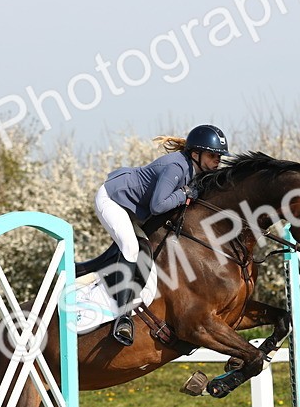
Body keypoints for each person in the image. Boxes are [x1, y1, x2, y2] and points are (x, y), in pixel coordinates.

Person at [95, 124, 229, 346]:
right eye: (213, 155)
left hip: (135, 207)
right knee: (132, 248)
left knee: (148, 249)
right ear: (196, 154)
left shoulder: (194, 169)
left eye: (220, 156)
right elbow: (158, 206)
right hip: (113, 200)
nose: (218, 160)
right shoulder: (175, 167)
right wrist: (185, 193)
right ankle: (123, 317)